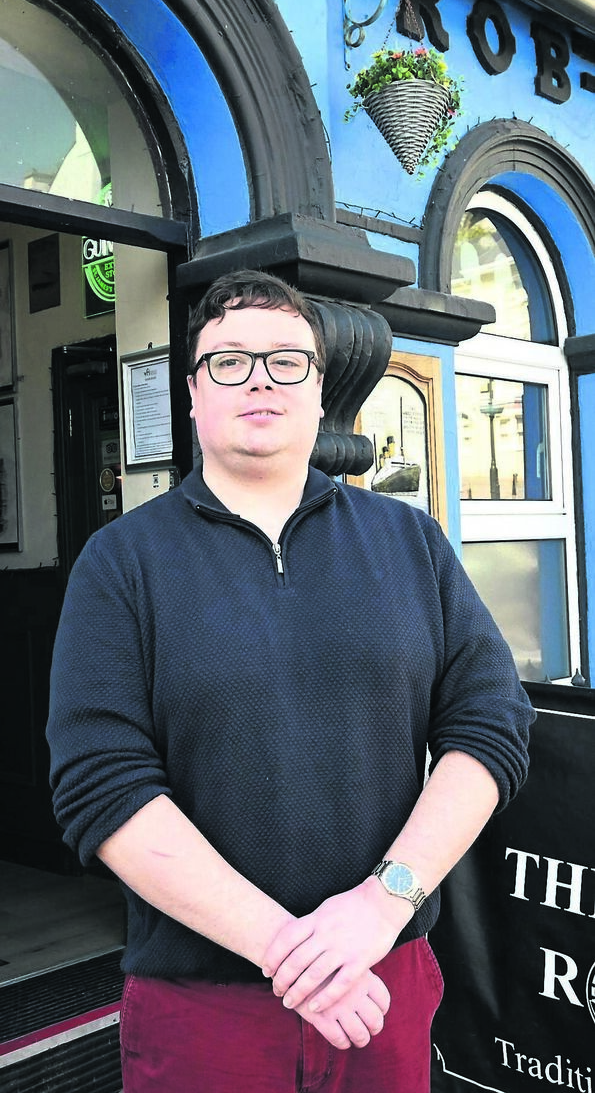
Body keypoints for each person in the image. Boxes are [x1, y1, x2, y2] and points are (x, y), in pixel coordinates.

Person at [47, 268, 535, 1093]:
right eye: (229, 362)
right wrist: (291, 950)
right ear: (193, 396)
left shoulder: (409, 543)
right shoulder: (121, 563)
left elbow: (490, 725)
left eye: (286, 361)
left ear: (320, 395)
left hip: (382, 980)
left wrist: (380, 907)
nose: (260, 381)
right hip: (200, 1003)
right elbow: (99, 785)